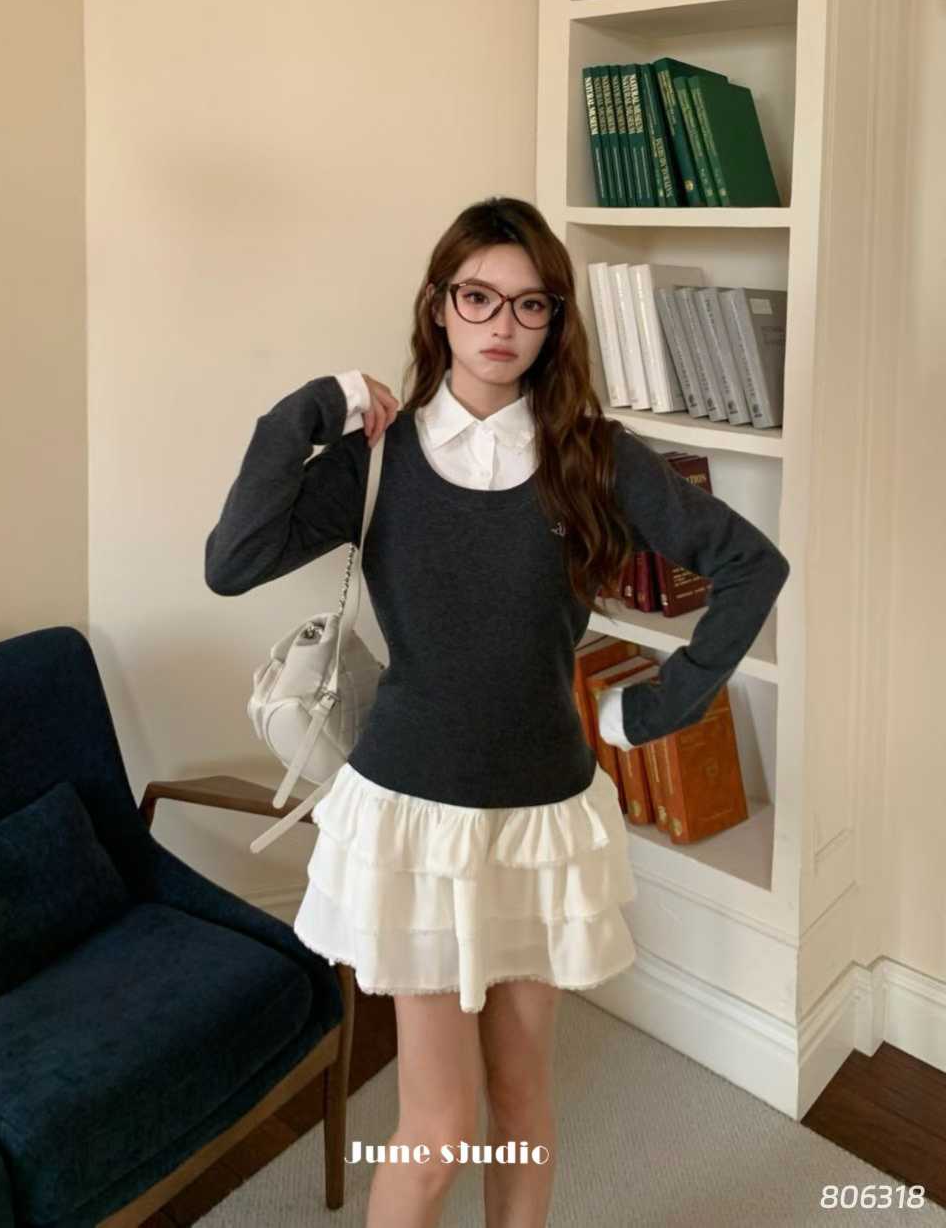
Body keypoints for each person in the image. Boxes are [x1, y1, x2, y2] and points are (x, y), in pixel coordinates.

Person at [204, 195, 791, 1228]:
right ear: (439, 306)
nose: (502, 324)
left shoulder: (593, 456)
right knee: (437, 1130)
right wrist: (314, 407)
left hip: (542, 820)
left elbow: (752, 563)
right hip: (412, 820)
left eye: (530, 304)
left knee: (521, 1105)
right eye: (478, 296)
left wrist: (663, 703)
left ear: (554, 322)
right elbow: (232, 561)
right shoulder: (378, 458)